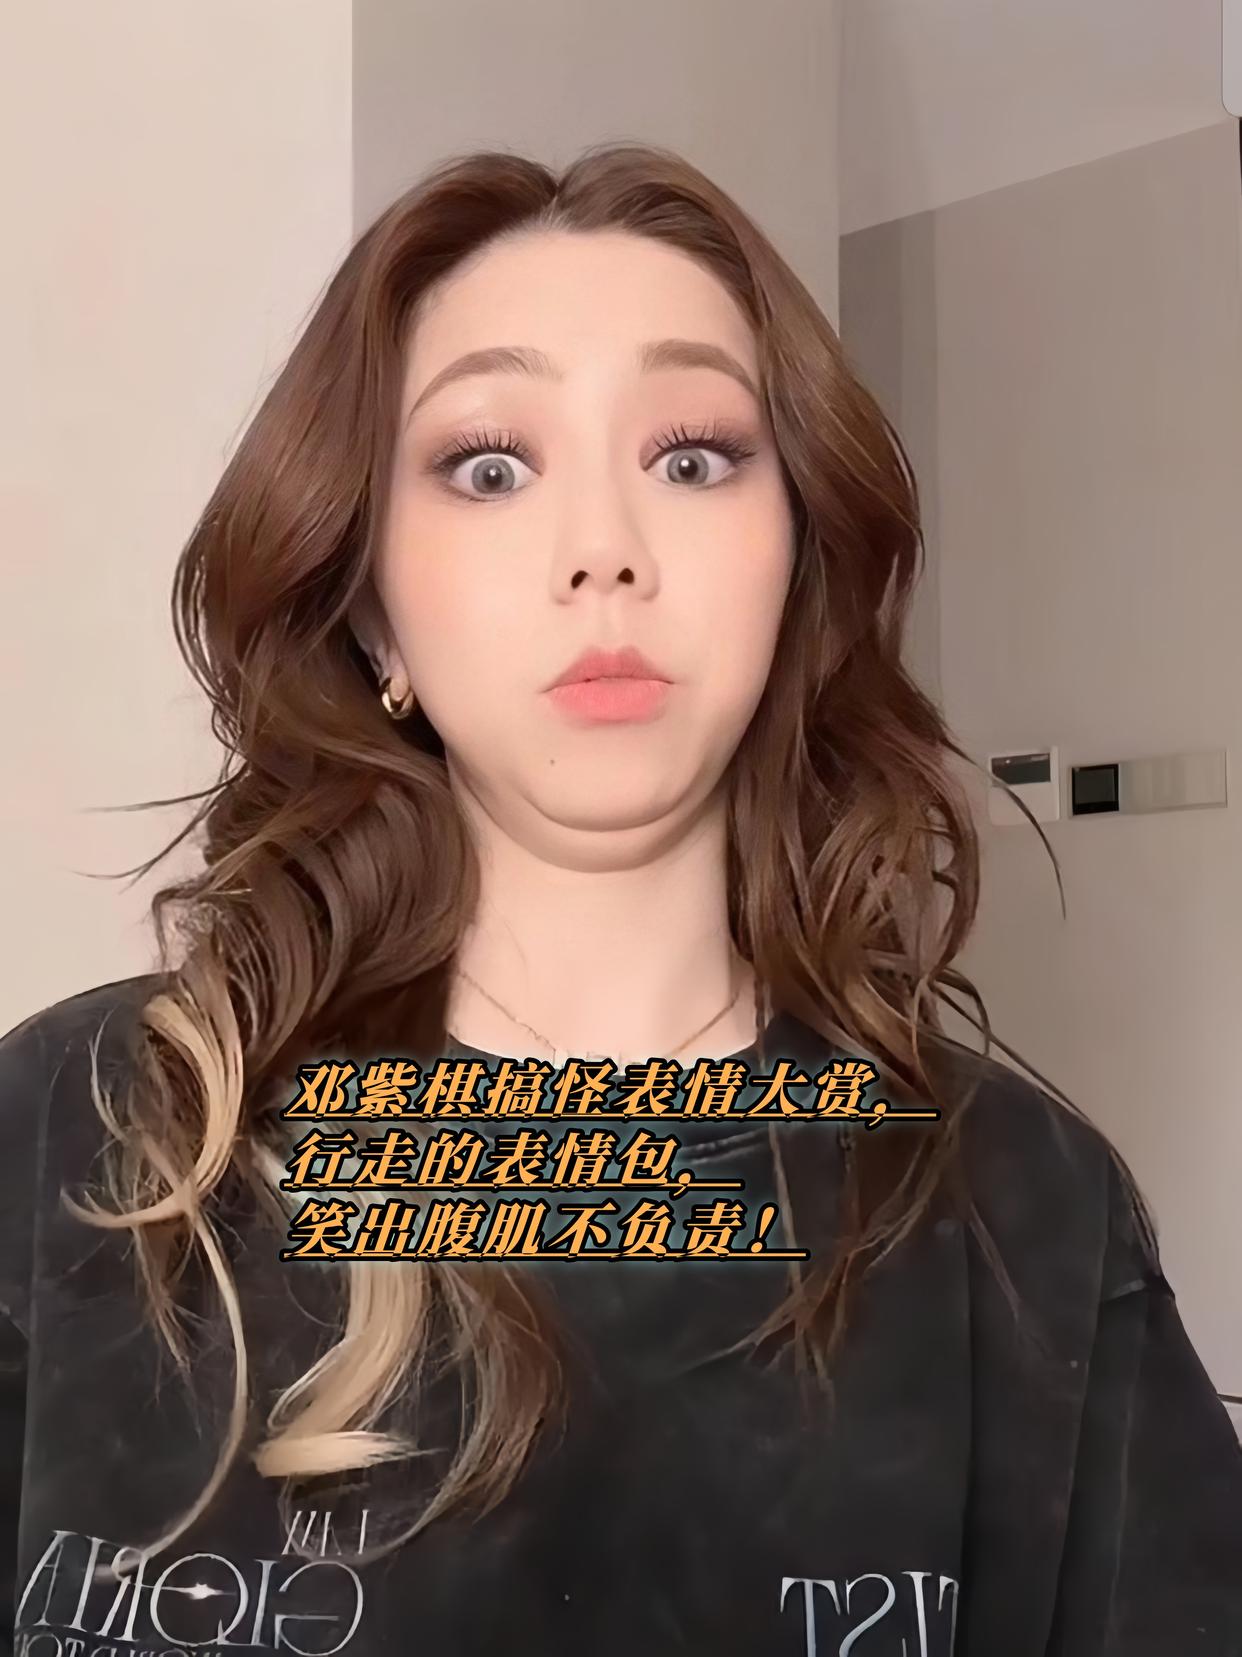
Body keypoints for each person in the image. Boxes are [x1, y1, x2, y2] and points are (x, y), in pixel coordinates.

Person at [3, 141, 1240, 1657]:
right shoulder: (76, 1130)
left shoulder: (1023, 1211)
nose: (604, 552)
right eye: (489, 466)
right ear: (373, 611)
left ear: (794, 566)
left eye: (693, 457)